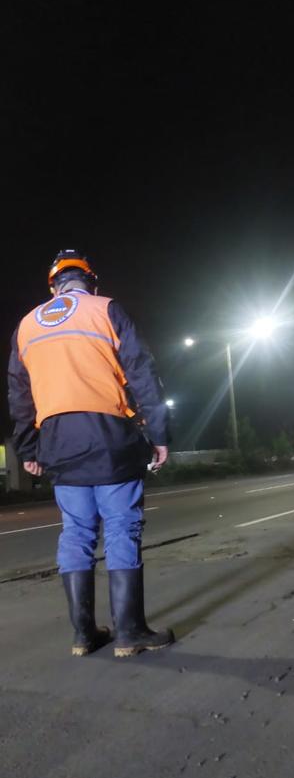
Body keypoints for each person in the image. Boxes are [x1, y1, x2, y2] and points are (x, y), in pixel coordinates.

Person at [8, 249, 175, 658]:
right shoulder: (106, 309)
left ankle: (84, 635)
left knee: (76, 533)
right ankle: (130, 632)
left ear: (53, 284)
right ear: (90, 280)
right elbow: (141, 371)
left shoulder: (27, 325)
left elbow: (19, 393)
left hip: (59, 442)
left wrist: (29, 448)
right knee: (121, 528)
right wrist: (159, 432)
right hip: (110, 437)